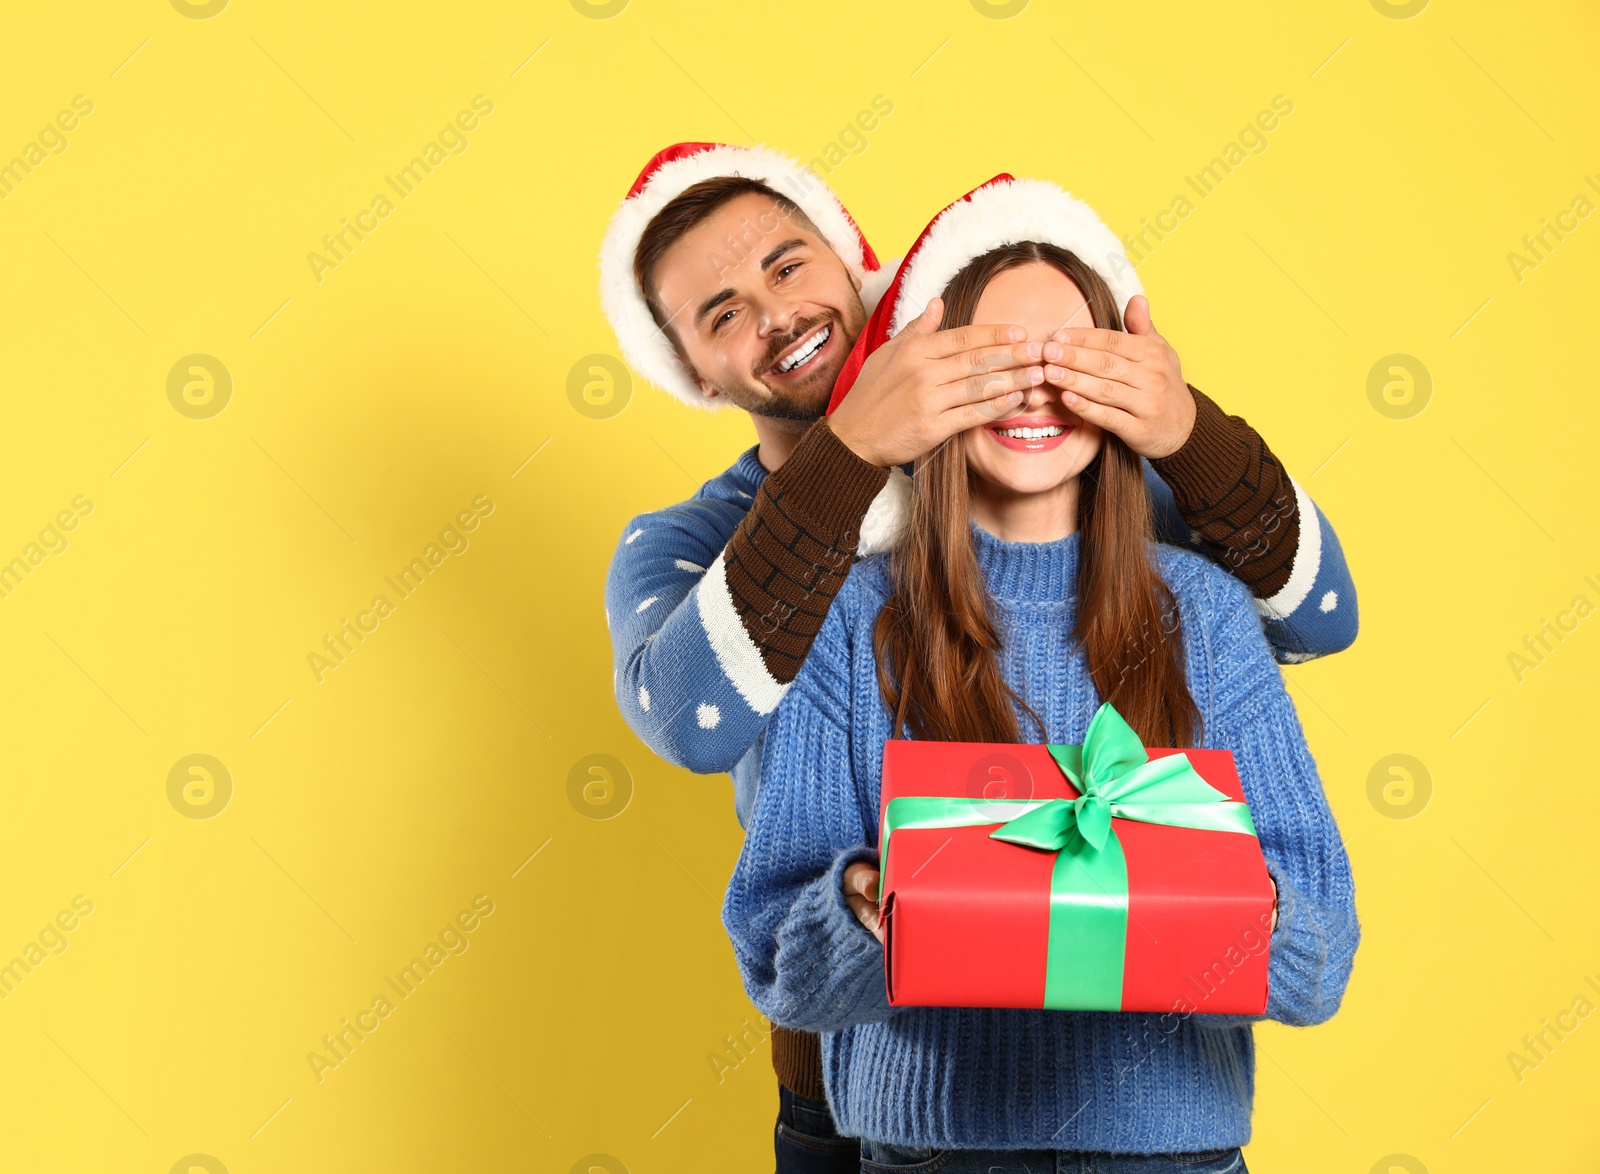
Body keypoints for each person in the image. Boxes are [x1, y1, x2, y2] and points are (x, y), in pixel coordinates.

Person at [599, 145, 1358, 1172]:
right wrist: (854, 451)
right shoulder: (713, 552)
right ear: (690, 366)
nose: (773, 315)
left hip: (1156, 1115)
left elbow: (1320, 614)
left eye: (787, 267)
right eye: (720, 312)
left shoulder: (1130, 533)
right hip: (860, 1080)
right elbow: (689, 721)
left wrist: (1181, 426)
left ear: (861, 273)